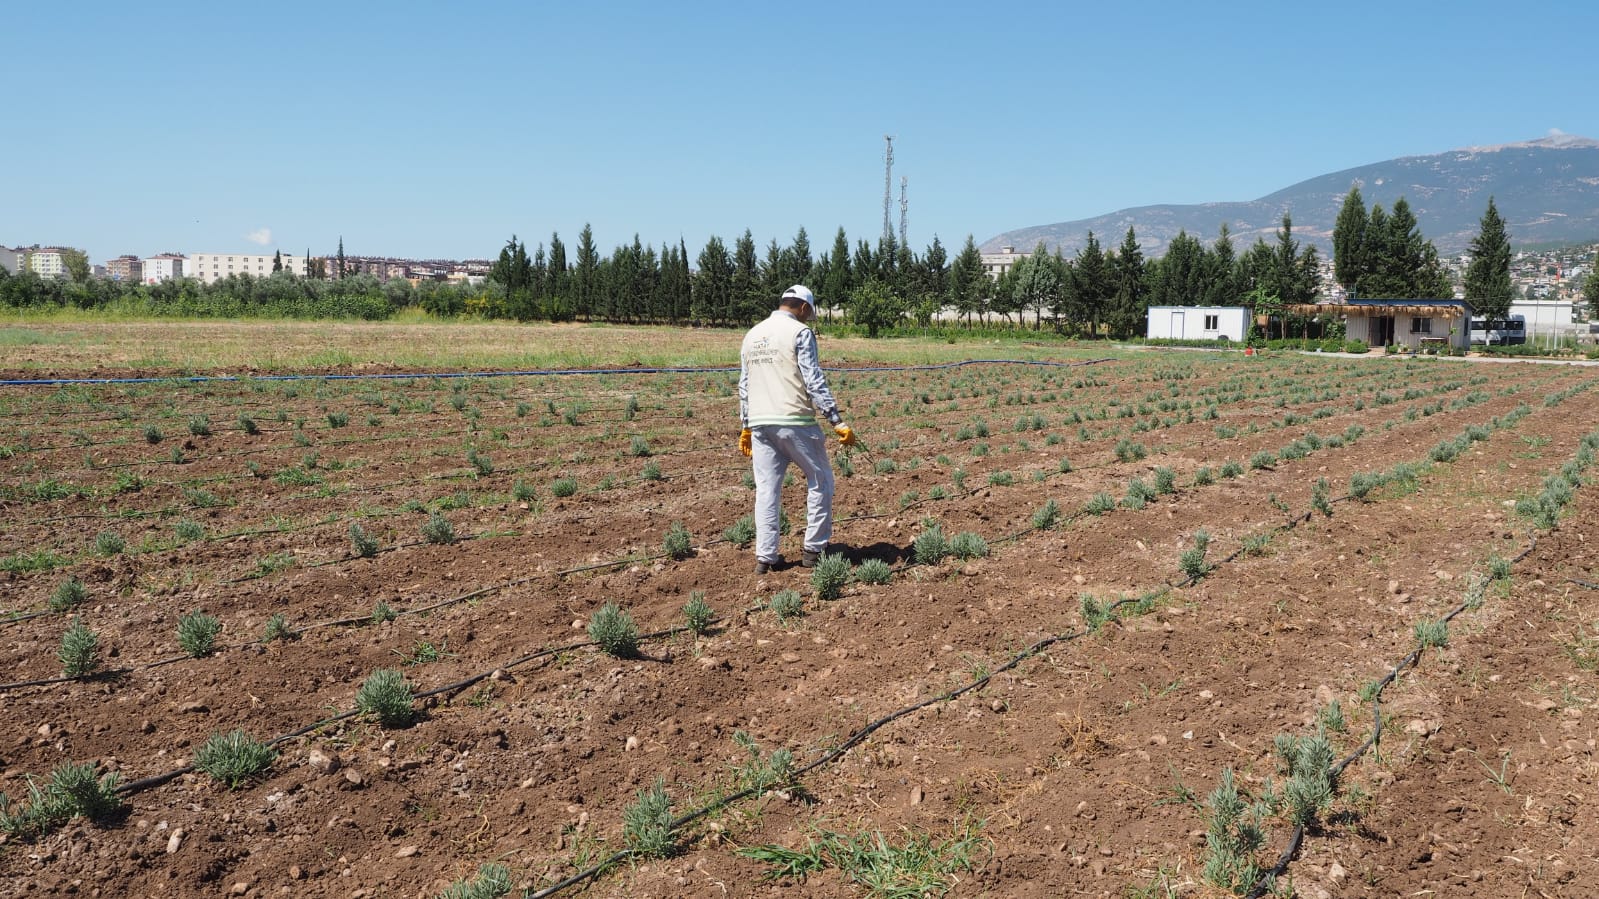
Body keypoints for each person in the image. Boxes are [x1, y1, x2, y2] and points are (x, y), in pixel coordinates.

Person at [738, 285, 858, 574]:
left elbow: (744, 384)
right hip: (795, 421)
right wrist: (836, 420)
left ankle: (765, 558)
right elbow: (813, 379)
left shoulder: (752, 335)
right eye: (809, 313)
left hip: (760, 423)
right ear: (803, 308)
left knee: (766, 490)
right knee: (821, 479)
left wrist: (745, 426)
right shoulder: (800, 333)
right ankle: (814, 550)